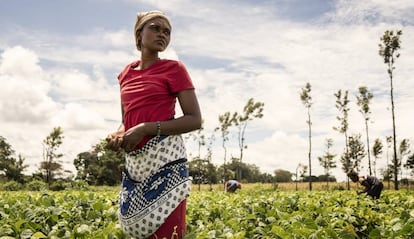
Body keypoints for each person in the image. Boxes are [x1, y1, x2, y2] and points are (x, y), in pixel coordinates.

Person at [106, 10, 202, 239]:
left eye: (167, 32)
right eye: (156, 28)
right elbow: (126, 119)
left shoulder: (174, 69)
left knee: (169, 231)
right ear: (139, 35)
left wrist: (147, 129)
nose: (162, 35)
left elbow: (195, 119)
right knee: (137, 229)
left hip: (165, 161)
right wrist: (118, 134)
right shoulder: (125, 74)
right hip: (136, 165)